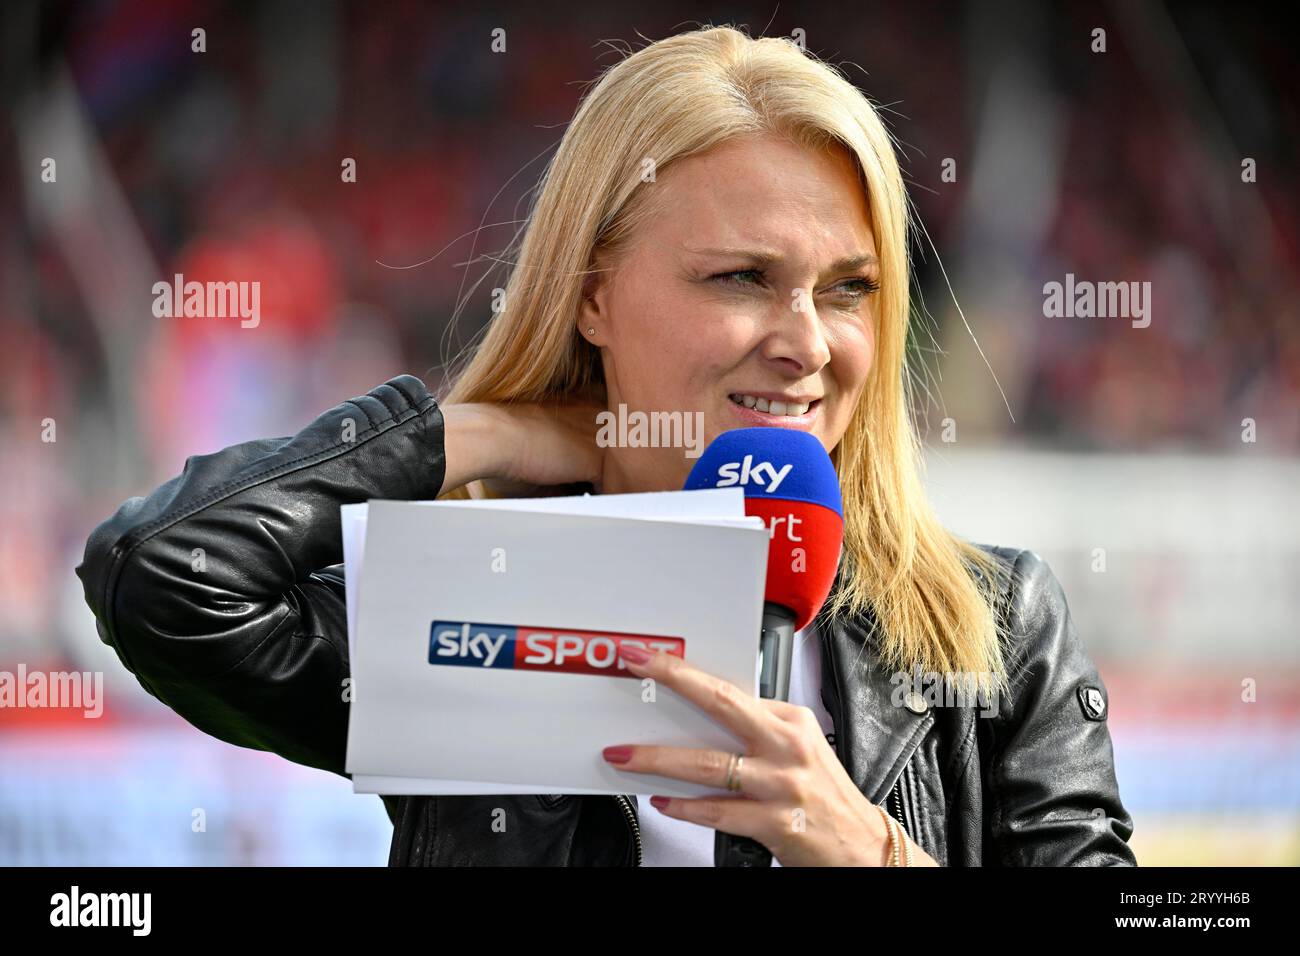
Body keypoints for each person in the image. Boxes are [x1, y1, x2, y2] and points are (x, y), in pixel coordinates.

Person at [75, 25, 1136, 866]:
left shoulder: (1000, 629)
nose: (808, 343)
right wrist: (483, 431)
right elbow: (161, 573)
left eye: (847, 288)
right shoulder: (474, 588)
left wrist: (869, 852)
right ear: (593, 297)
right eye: (741, 278)